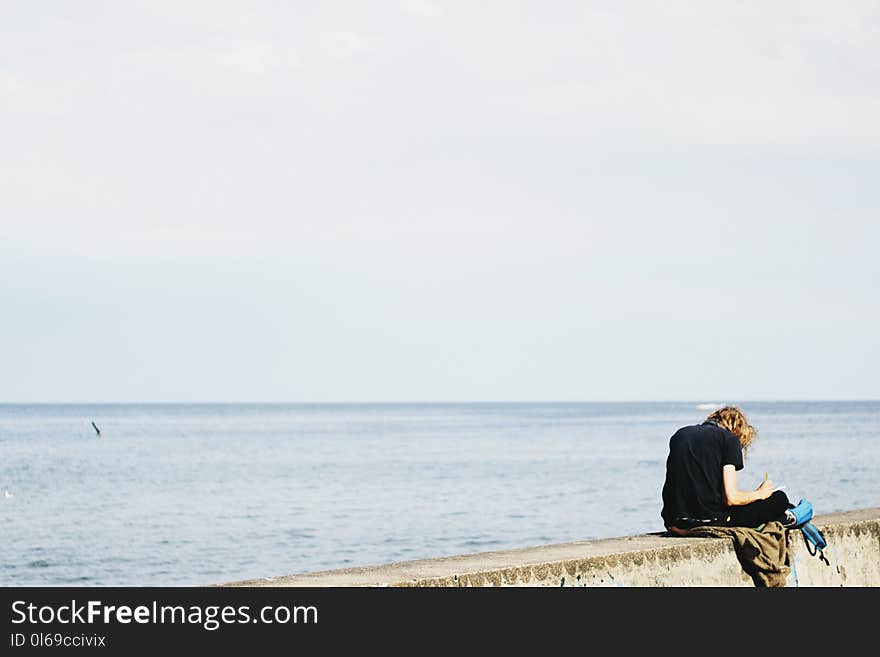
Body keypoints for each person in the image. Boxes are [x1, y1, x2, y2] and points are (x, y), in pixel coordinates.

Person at [661, 405, 798, 536]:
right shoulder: (730, 439)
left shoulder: (680, 434)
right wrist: (761, 493)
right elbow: (732, 498)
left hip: (674, 521)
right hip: (710, 521)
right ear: (739, 430)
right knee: (780, 498)